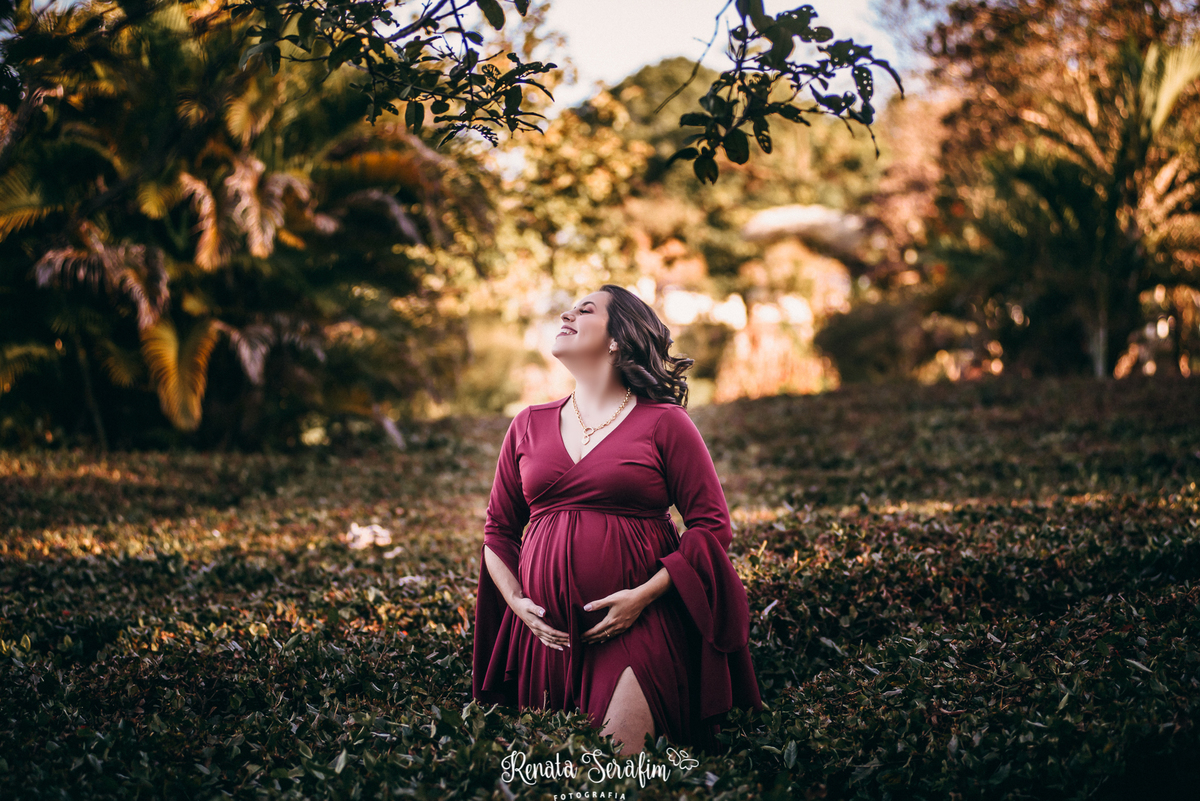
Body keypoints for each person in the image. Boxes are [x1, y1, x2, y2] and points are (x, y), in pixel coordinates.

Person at [471, 284, 762, 756]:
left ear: (616, 340)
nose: (567, 312)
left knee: (621, 770)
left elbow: (712, 525)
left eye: (585, 310)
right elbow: (498, 531)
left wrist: (642, 597)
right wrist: (518, 604)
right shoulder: (527, 423)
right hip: (546, 639)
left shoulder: (665, 423)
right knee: (562, 780)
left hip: (638, 626)